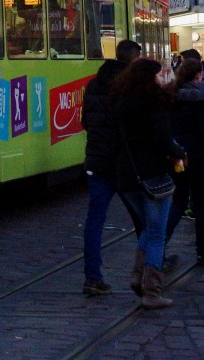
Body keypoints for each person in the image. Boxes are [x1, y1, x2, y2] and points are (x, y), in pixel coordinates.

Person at [111, 57, 183, 309]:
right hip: (152, 176)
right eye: (158, 75)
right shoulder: (155, 104)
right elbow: (163, 140)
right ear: (150, 78)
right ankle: (151, 289)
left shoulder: (120, 102)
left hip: (126, 177)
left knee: (147, 228)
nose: (162, 78)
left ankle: (137, 276)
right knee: (156, 233)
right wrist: (179, 151)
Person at [81, 38, 145, 296]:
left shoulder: (93, 84)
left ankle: (92, 277)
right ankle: (147, 272)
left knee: (94, 221)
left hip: (97, 161)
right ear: (133, 60)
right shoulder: (132, 86)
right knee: (144, 220)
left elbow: (86, 121)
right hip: (125, 164)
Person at [165, 58, 204, 265]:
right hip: (199, 158)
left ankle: (161, 241)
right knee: (202, 205)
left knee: (178, 200)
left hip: (177, 156)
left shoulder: (169, 97)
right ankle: (203, 251)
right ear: (198, 76)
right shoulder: (198, 99)